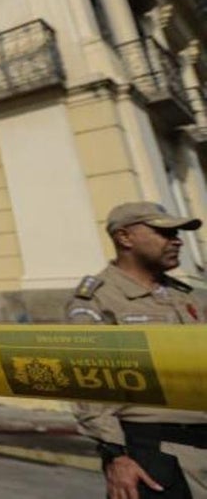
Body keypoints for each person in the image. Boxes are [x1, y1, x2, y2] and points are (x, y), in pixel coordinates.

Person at [66, 201, 207, 499]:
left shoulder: (185, 295)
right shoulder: (98, 299)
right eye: (164, 233)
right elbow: (87, 382)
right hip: (155, 453)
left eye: (177, 232)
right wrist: (115, 455)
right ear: (125, 238)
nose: (177, 240)